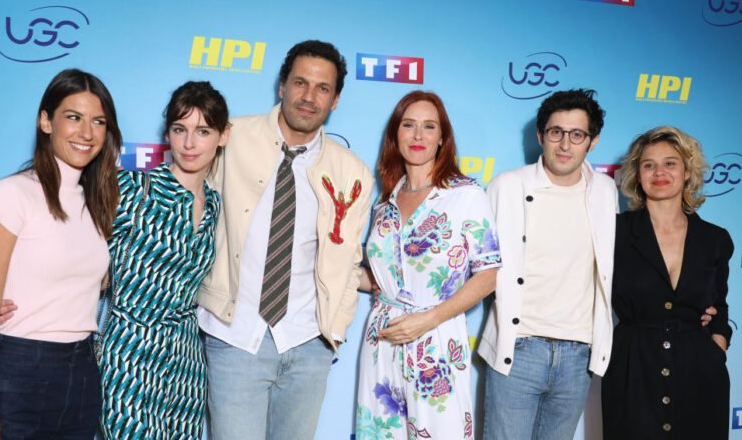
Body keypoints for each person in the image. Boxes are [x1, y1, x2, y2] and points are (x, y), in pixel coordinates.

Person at [196, 40, 374, 440]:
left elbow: (349, 262)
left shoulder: (353, 172)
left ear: (336, 98)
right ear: (281, 86)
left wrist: (335, 332)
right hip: (234, 337)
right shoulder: (230, 137)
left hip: (308, 344)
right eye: (300, 83)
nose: (309, 97)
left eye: (322, 88)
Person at [0, 69, 121, 440]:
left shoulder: (99, 204)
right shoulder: (11, 195)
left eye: (98, 121)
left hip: (83, 371)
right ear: (45, 122)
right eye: (73, 117)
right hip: (20, 368)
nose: (87, 133)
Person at [355, 91, 501, 439]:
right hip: (382, 341)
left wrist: (428, 319)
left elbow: (489, 275)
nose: (418, 135)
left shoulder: (466, 195)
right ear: (396, 135)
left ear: (442, 138)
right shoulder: (384, 202)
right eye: (409, 125)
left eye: (429, 126)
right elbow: (380, 280)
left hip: (436, 340)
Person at [477, 89, 617, 440]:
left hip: (577, 355)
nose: (565, 144)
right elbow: (480, 263)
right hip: (519, 348)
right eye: (556, 132)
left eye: (577, 134)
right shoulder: (507, 185)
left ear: (593, 141)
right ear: (541, 136)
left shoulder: (605, 191)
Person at [96, 81, 229, 439]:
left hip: (186, 360)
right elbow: (78, 256)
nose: (189, 143)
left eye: (203, 131)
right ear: (167, 133)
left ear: (223, 136)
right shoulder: (134, 191)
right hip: (130, 352)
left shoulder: (216, 205)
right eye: (179, 129)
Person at [602, 126, 733, 439]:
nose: (659, 172)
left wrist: (717, 344)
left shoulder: (715, 239)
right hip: (633, 369)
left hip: (700, 372)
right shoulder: (612, 232)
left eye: (670, 163)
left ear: (688, 173)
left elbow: (720, 304)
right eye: (649, 165)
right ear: (637, 174)